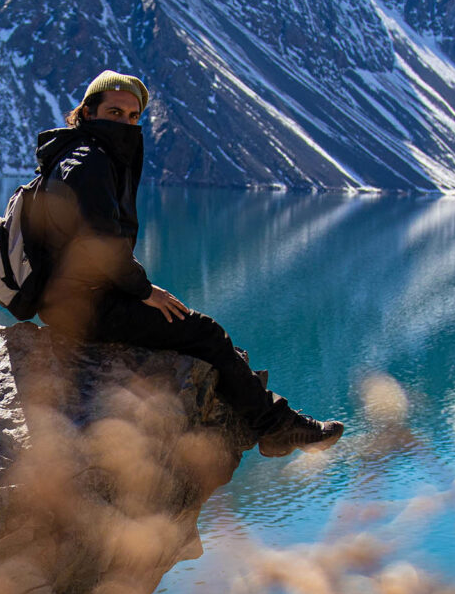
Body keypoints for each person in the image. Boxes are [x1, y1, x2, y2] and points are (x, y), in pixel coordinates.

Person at [28, 70, 345, 456]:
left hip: (71, 298)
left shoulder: (81, 154)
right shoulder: (88, 162)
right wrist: (144, 291)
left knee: (192, 330)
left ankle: (273, 422)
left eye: (132, 117)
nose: (125, 123)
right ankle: (275, 426)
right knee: (205, 333)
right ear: (89, 113)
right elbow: (100, 243)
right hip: (83, 307)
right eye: (114, 113)